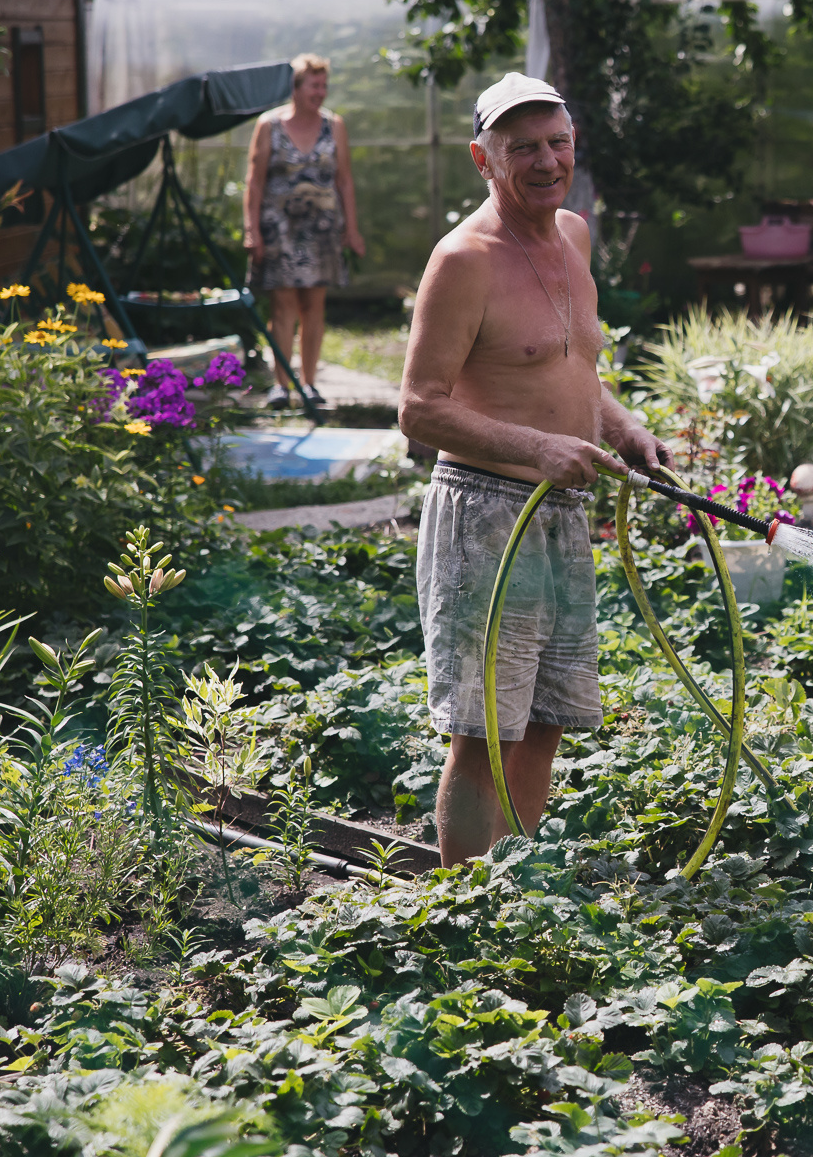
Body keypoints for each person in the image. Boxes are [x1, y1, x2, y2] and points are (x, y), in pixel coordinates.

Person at [399, 72, 671, 866]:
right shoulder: (463, 260)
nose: (546, 160)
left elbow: (573, 365)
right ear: (484, 160)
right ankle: (461, 908)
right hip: (488, 515)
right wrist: (539, 449)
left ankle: (512, 890)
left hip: (561, 515)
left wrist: (622, 426)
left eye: (557, 143)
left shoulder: (574, 236)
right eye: (523, 149)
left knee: (545, 718)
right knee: (483, 731)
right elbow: (418, 409)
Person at [243, 52, 366, 410]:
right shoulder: (269, 126)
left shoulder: (335, 125)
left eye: (324, 85)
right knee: (283, 307)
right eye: (314, 85)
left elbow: (344, 181)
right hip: (279, 229)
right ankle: (282, 385)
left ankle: (309, 383)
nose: (321, 92)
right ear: (295, 89)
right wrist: (252, 232)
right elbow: (254, 182)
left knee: (314, 305)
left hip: (323, 230)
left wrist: (352, 230)